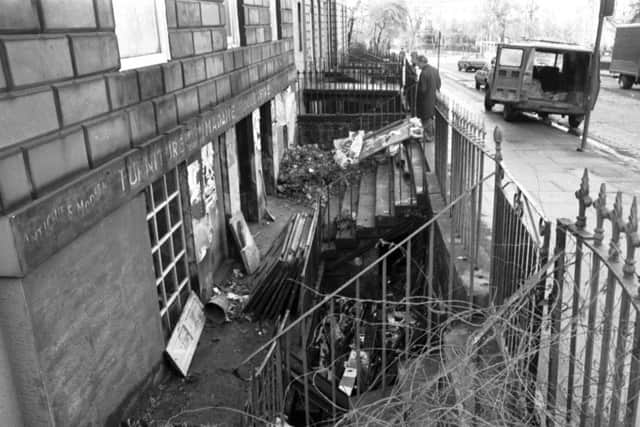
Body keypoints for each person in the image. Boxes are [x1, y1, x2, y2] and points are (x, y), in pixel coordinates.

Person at [415, 55, 441, 143]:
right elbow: (439, 84)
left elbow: (422, 89)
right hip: (433, 98)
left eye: (418, 63)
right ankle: (430, 135)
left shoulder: (424, 73)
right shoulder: (434, 70)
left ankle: (428, 136)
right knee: (430, 117)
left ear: (422, 62)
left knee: (426, 118)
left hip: (425, 100)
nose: (417, 65)